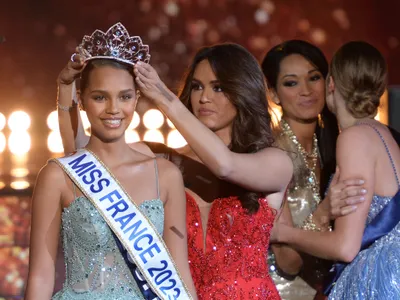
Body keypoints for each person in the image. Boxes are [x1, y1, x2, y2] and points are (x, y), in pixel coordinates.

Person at [59, 42, 362, 299]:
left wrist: (163, 97)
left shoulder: (274, 161)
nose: (204, 97)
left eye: (218, 88)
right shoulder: (167, 161)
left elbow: (224, 165)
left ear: (242, 90)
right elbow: (82, 154)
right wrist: (65, 89)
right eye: (197, 87)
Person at [25, 23, 197, 300]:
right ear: (81, 101)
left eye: (125, 97)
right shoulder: (58, 176)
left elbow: (179, 273)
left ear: (137, 99)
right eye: (100, 97)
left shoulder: (165, 175)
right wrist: (64, 85)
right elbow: (40, 276)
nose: (114, 109)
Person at [272, 41, 400, 299]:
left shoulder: (354, 139)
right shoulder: (384, 134)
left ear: (330, 84)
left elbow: (345, 247)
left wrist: (283, 233)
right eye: (291, 82)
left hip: (377, 281)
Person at [262, 40, 366, 300]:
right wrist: (323, 212)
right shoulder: (272, 156)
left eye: (314, 77)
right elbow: (288, 262)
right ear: (274, 93)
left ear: (329, 82)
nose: (306, 91)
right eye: (291, 83)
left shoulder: (342, 146)